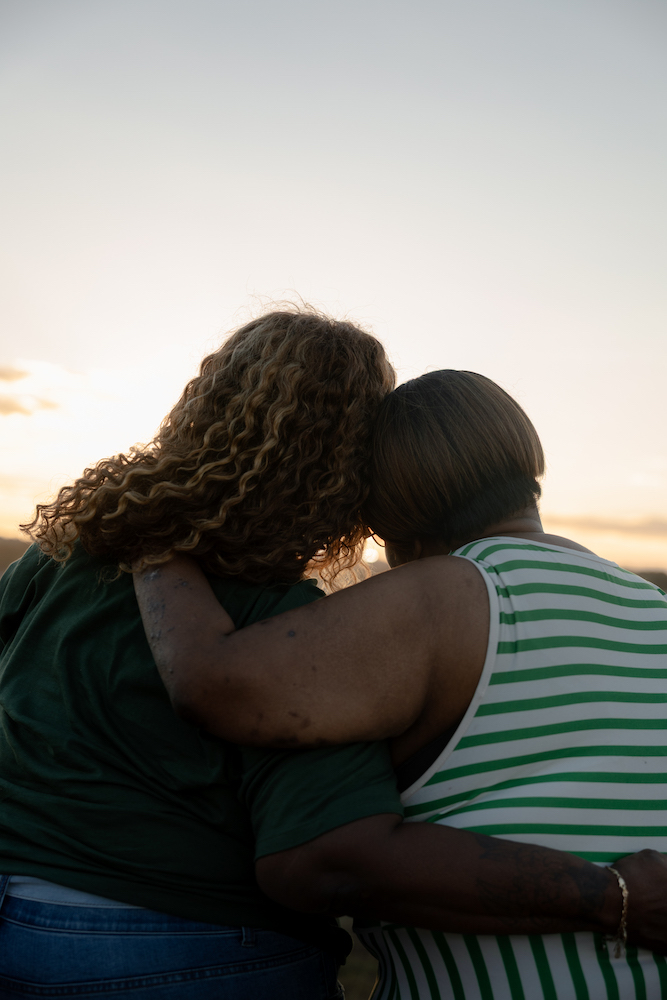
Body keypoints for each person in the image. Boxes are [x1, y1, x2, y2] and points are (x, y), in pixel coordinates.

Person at [134, 369, 667, 1000]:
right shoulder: (651, 606)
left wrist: (151, 530)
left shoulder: (443, 598)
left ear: (392, 524)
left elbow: (212, 683)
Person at [0, 308, 400, 999]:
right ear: (348, 467)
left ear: (201, 407)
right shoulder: (289, 622)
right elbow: (330, 852)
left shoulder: (62, 559)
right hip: (184, 941)